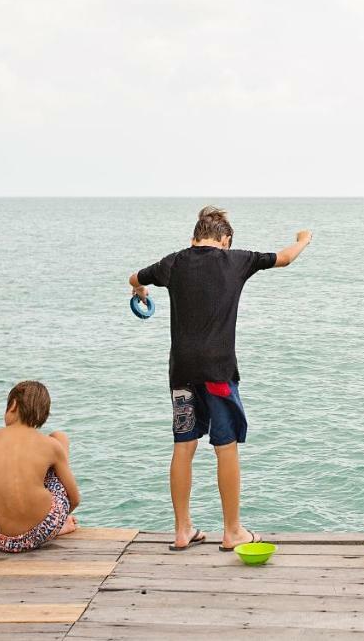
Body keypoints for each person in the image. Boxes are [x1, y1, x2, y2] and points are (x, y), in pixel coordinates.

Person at [130, 205, 312, 552]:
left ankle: (182, 531)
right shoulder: (237, 260)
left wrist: (141, 293)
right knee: (225, 448)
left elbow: (134, 278)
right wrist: (303, 240)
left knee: (184, 446)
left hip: (181, 373)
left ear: (194, 237)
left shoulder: (175, 261)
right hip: (218, 372)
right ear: (225, 240)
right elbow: (286, 258)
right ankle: (232, 531)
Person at [0, 380, 81, 553]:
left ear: (13, 405)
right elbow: (75, 499)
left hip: (2, 541)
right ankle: (59, 528)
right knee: (59, 437)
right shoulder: (50, 445)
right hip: (44, 529)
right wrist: (55, 520)